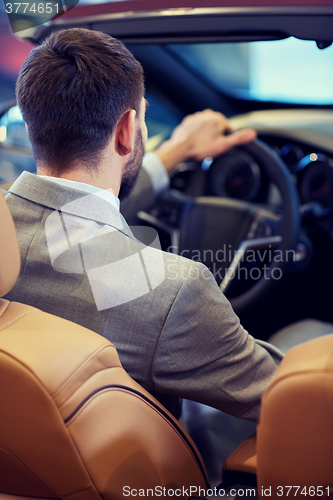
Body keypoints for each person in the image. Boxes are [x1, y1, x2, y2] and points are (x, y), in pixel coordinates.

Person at [0, 28, 305, 423]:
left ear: (30, 125)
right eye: (143, 117)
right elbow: (291, 398)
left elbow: (69, 207)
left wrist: (176, 151)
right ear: (127, 130)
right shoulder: (173, 291)